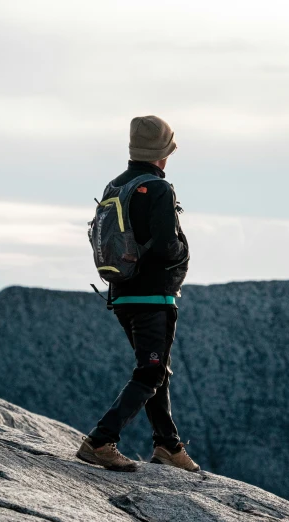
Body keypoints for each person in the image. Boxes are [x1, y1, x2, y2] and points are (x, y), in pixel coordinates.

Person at [76, 115, 198, 472]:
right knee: (151, 371)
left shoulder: (116, 185)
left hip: (122, 293)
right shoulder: (159, 188)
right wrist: (182, 252)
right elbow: (164, 245)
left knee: (156, 369)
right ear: (165, 152)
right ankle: (100, 441)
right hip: (153, 295)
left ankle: (168, 446)